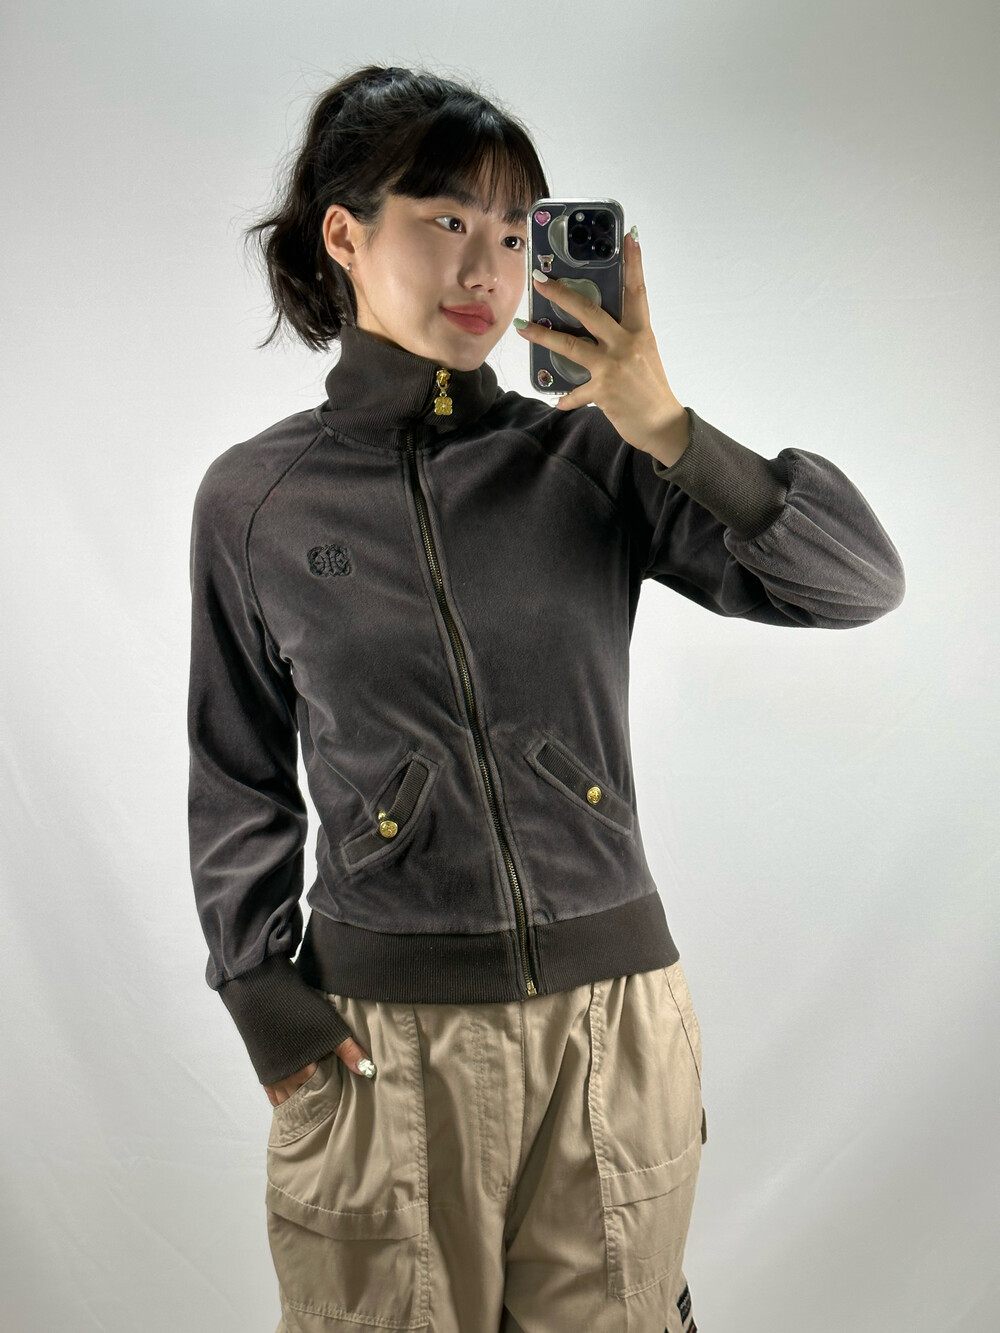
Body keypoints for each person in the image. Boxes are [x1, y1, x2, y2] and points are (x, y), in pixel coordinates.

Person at [186, 64, 906, 1333]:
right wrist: (261, 992)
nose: (488, 267)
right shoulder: (258, 500)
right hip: (381, 1043)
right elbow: (234, 766)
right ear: (344, 234)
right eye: (446, 220)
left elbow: (855, 583)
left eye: (516, 233)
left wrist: (665, 424)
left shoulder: (590, 459)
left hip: (611, 1030)